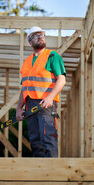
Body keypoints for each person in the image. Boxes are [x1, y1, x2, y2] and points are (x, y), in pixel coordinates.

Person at [16, 26, 66, 157]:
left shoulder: (52, 55)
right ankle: (39, 173)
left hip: (46, 104)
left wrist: (50, 98)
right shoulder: (27, 61)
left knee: (48, 138)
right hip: (30, 105)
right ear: (30, 42)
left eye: (42, 34)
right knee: (35, 141)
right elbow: (25, 87)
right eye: (35, 35)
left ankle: (52, 173)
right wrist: (19, 108)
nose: (40, 36)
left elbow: (61, 79)